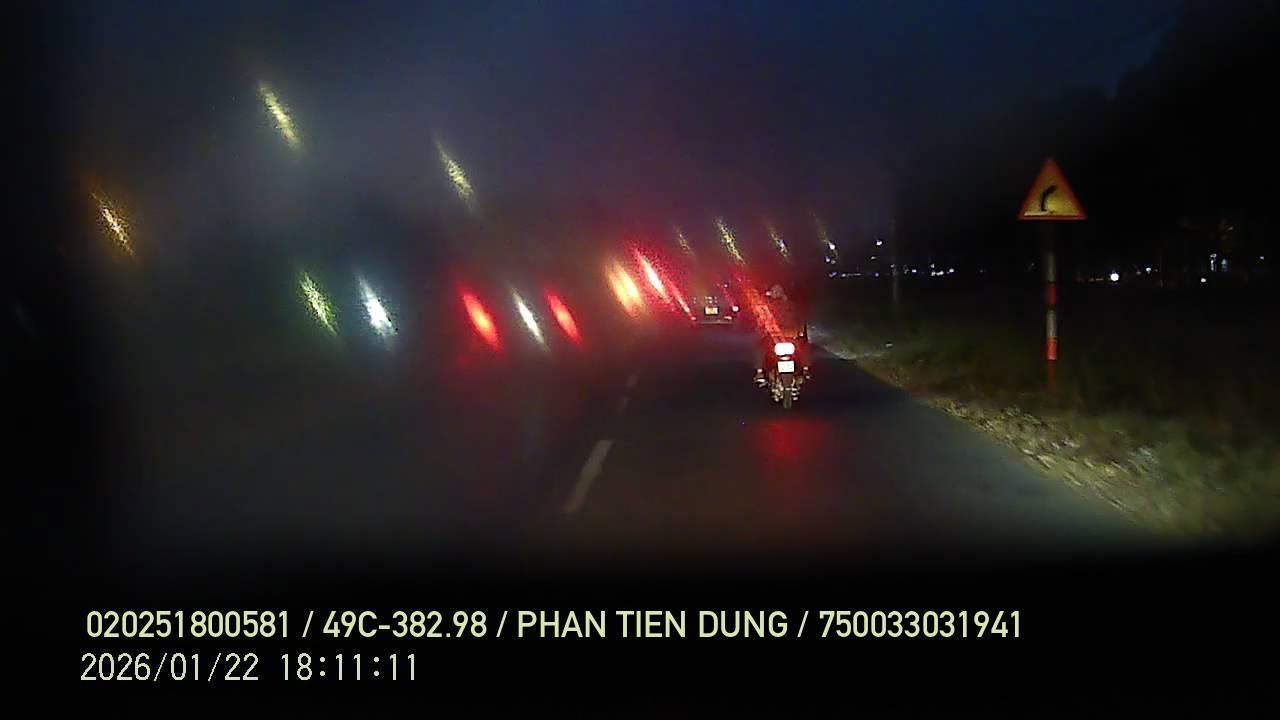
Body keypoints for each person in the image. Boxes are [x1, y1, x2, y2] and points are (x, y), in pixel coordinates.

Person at [753, 283, 810, 385]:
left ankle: (759, 372)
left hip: (779, 336)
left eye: (776, 291)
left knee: (760, 348)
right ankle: (805, 370)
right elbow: (801, 320)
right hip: (787, 336)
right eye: (774, 291)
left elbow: (761, 322)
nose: (775, 293)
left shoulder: (769, 306)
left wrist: (761, 330)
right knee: (804, 347)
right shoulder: (790, 305)